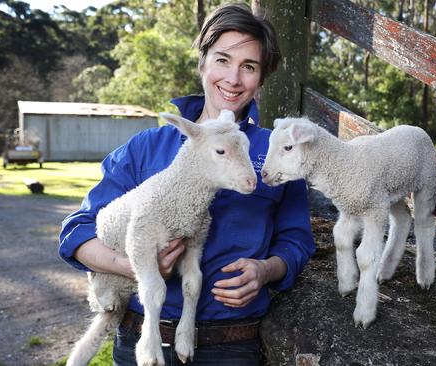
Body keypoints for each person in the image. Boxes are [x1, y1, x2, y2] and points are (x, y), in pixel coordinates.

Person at [58, 3, 315, 365]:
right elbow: (78, 231)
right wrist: (134, 265)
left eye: (250, 67)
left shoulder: (278, 150)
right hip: (141, 338)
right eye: (223, 60)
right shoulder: (147, 147)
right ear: (203, 62)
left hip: (233, 345)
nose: (233, 78)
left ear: (262, 77)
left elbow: (298, 240)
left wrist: (267, 270)